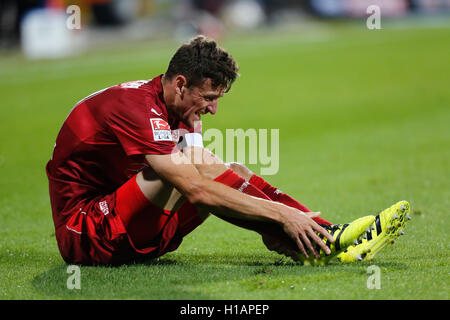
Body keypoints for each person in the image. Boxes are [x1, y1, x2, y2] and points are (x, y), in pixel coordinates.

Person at [46, 35, 410, 266]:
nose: (213, 110)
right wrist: (280, 216)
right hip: (88, 235)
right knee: (188, 169)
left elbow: (206, 183)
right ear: (180, 83)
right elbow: (196, 190)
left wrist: (271, 222)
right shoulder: (134, 107)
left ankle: (325, 237)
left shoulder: (182, 110)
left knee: (231, 170)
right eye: (208, 98)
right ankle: (317, 235)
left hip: (134, 228)